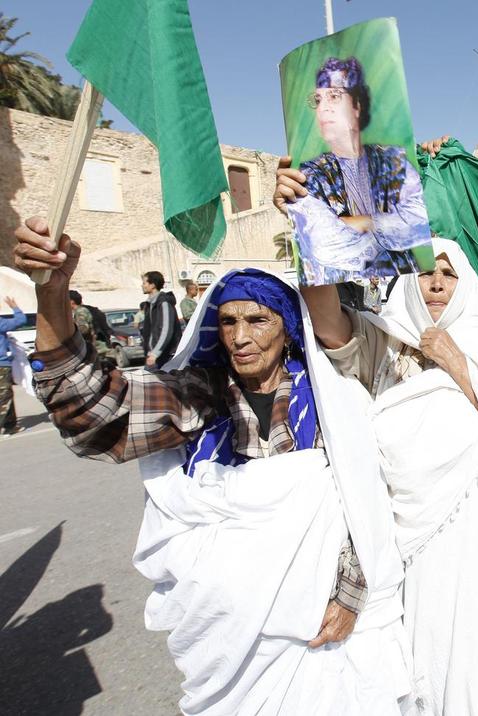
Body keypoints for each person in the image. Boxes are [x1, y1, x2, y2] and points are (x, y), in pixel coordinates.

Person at [13, 217, 409, 714]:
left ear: (288, 330)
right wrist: (51, 295)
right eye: (228, 322)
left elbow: (369, 502)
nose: (240, 337)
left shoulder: (333, 399)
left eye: (258, 320)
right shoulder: (203, 394)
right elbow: (92, 413)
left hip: (329, 625)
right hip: (230, 640)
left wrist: (350, 591)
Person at [301, 236, 478, 714]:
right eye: (424, 272)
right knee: (434, 658)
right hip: (417, 550)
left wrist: (460, 364)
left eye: (449, 274)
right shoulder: (383, 342)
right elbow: (325, 319)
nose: (437, 284)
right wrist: (311, 228)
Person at [274, 56, 431, 284]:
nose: (323, 108)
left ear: (357, 105)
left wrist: (359, 223)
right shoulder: (310, 174)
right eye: (318, 100)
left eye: (334, 96)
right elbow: (325, 242)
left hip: (403, 288)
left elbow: (418, 220)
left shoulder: (392, 161)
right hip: (342, 296)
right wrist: (386, 225)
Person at [140, 270, 182, 368]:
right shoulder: (150, 304)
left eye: (144, 283)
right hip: (155, 355)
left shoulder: (163, 303)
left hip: (165, 355)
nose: (142, 285)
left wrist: (155, 353)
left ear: (152, 285)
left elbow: (166, 330)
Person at [0, 295, 27, 436]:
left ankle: (10, 425)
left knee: (6, 394)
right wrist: (15, 307)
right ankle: (7, 425)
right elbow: (21, 320)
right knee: (4, 396)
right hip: (2, 365)